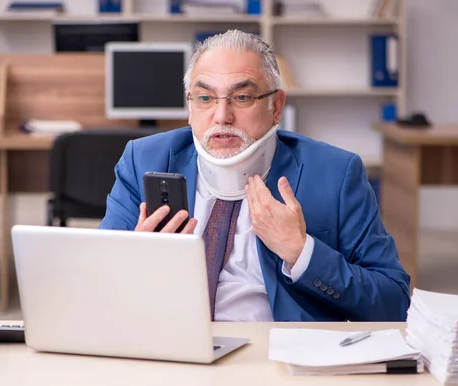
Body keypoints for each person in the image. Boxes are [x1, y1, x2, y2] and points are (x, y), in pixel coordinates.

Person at [99, 30, 410, 322]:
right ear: (189, 106)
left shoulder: (336, 174)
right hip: (172, 345)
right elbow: (94, 284)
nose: (222, 117)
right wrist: (135, 262)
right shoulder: (143, 160)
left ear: (276, 106)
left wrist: (302, 253)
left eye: (242, 98)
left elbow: (393, 302)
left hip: (279, 357)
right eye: (205, 98)